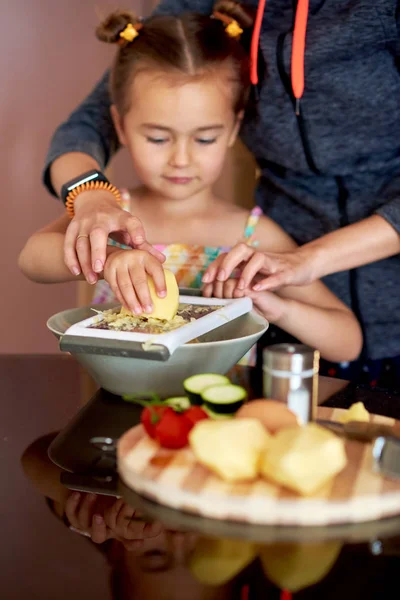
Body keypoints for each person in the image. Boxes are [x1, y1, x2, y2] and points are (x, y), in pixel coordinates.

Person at [40, 0, 400, 386]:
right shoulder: (119, 213)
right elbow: (32, 258)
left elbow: (346, 342)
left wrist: (277, 305)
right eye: (159, 137)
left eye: (205, 137)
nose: (181, 159)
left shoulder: (253, 237)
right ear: (122, 127)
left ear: (233, 130)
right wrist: (101, 238)